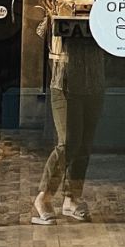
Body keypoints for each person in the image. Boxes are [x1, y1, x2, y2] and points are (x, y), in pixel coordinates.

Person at [31, 27, 106, 225]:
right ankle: (44, 196)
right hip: (65, 82)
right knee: (69, 142)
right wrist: (56, 14)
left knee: (84, 145)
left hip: (95, 81)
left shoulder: (105, 11)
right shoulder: (59, 9)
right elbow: (42, 31)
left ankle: (71, 198)